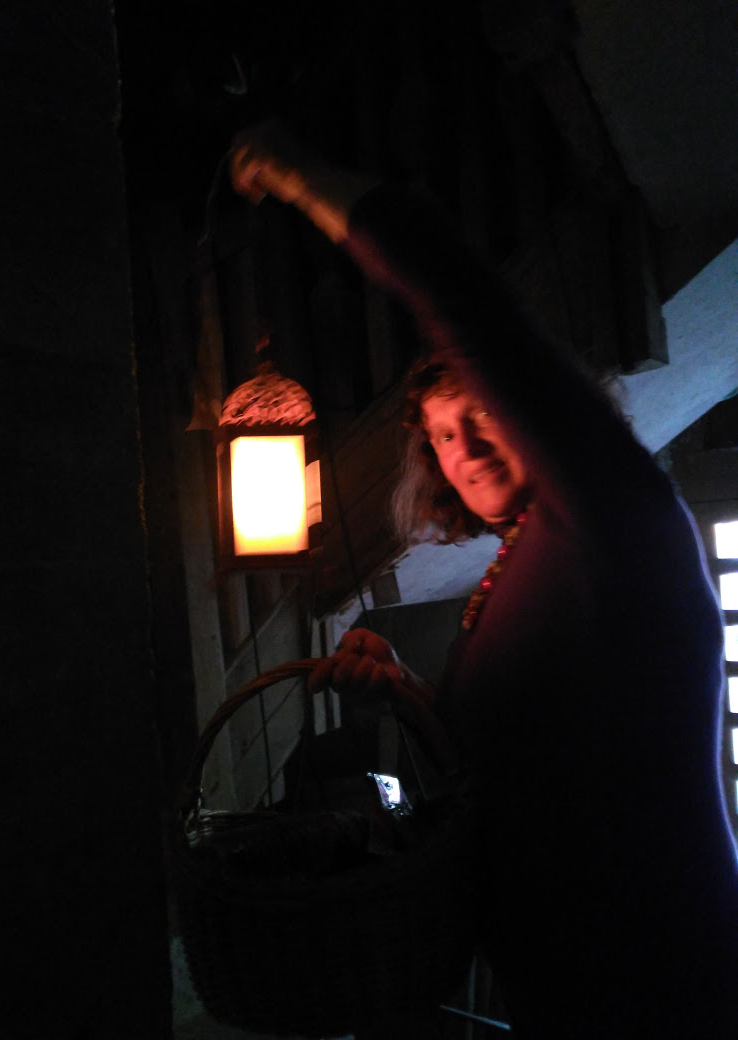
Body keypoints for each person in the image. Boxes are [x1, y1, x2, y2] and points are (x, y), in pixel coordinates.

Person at [230, 125, 738, 1038]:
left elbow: (467, 301)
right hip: (556, 987)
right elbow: (510, 766)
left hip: (665, 976)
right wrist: (407, 694)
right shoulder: (517, 567)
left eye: (480, 415)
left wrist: (298, 174)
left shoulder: (616, 517)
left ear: (534, 414)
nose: (462, 448)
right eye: (440, 436)